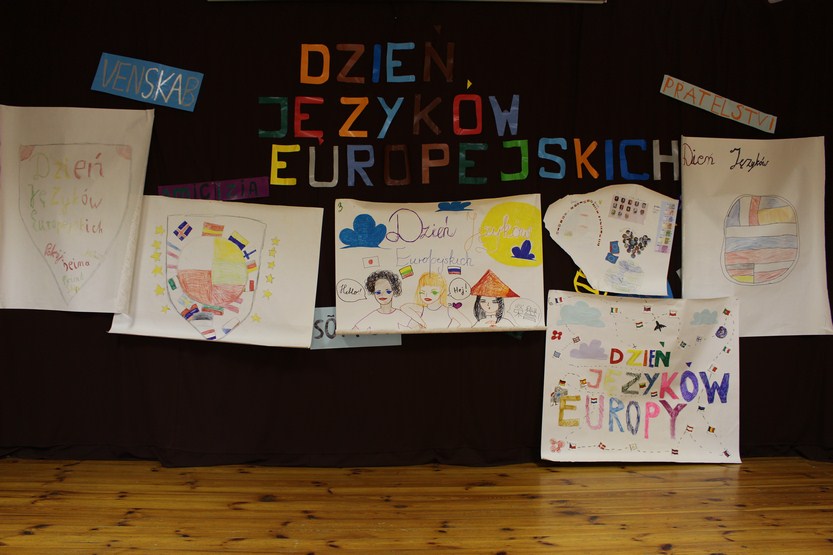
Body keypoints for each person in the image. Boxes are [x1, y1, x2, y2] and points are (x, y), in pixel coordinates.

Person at [352, 270, 418, 331]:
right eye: (378, 292)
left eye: (388, 291)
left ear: (394, 291)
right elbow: (354, 330)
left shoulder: (399, 314)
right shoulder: (372, 316)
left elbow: (419, 327)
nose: (382, 294)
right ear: (374, 293)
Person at [401, 271, 471, 329]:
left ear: (442, 291)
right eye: (423, 292)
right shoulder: (422, 309)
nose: (427, 295)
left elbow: (468, 324)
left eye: (433, 292)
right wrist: (422, 322)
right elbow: (404, 307)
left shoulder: (449, 310)